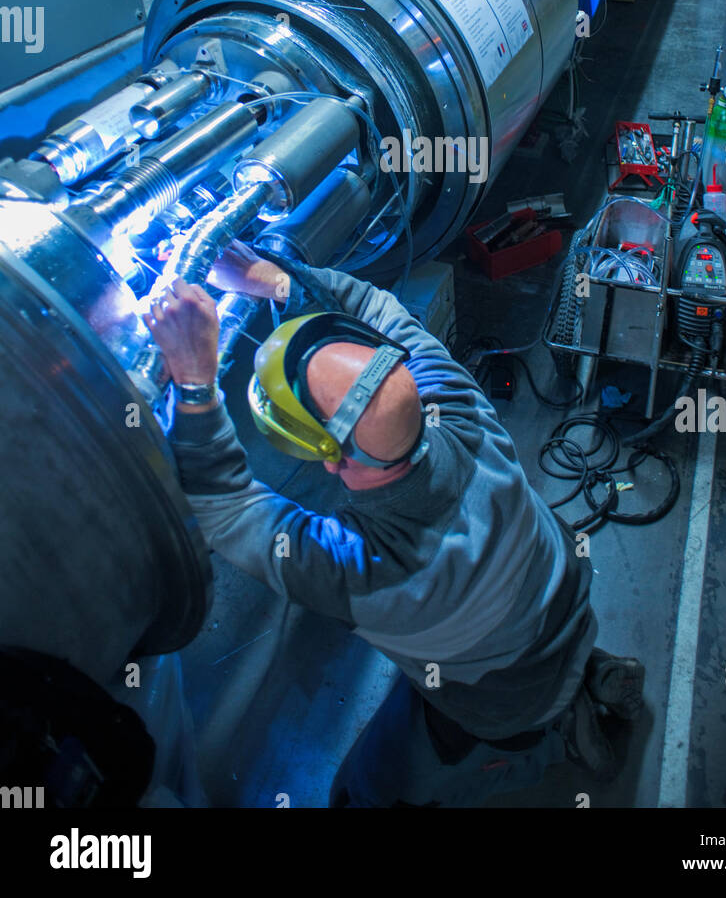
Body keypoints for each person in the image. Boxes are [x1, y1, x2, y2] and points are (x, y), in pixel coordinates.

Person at [144, 243, 644, 807]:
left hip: (506, 699)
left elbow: (224, 504)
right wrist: (271, 280)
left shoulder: (363, 568)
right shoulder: (458, 409)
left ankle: (549, 742)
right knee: (530, 641)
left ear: (329, 458)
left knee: (362, 792)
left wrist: (193, 381)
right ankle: (588, 672)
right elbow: (380, 311)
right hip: (565, 598)